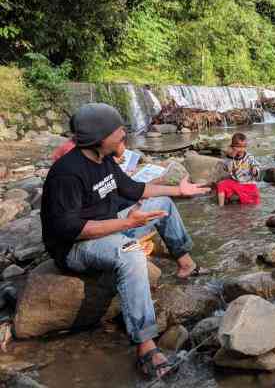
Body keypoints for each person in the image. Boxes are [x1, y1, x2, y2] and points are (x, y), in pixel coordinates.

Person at [41, 103, 211, 379]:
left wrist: (178, 190)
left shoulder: (103, 159)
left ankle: (186, 264)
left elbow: (133, 189)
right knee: (131, 253)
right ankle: (145, 345)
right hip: (74, 247)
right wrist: (127, 224)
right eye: (117, 130)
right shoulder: (67, 172)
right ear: (98, 137)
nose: (123, 133)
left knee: (163, 203)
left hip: (109, 225)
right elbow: (69, 229)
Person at [216, 133, 260, 206]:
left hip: (248, 183)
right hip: (236, 182)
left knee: (254, 197)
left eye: (244, 147)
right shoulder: (230, 158)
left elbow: (256, 166)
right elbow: (226, 168)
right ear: (232, 147)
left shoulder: (249, 157)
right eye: (238, 147)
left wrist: (255, 170)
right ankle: (221, 206)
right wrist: (231, 157)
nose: (241, 149)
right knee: (221, 185)